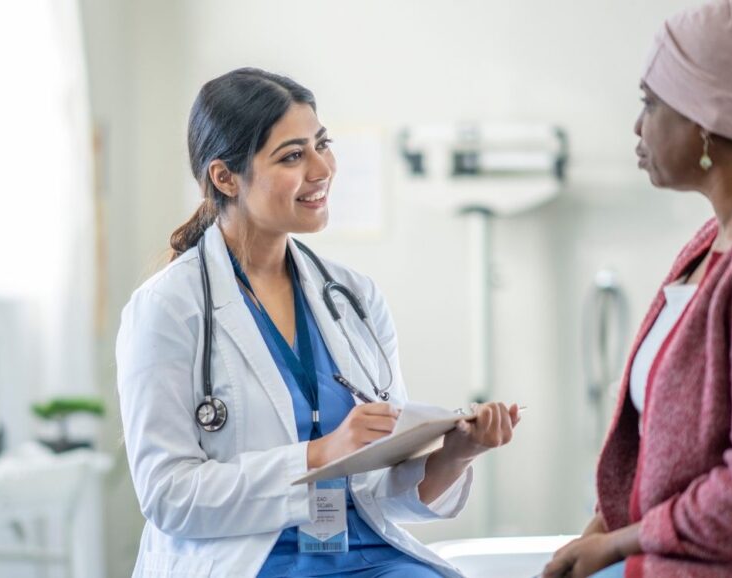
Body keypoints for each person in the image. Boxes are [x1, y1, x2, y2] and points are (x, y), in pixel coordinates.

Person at [116, 68, 521, 578]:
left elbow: (379, 491)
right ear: (225, 177)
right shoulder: (168, 308)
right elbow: (168, 496)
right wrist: (317, 455)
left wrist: (456, 454)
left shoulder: (354, 298)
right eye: (292, 156)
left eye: (321, 144)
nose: (322, 168)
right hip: (246, 562)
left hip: (368, 554)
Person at [543, 1, 732, 577]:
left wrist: (618, 544)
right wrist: (604, 525)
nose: (639, 126)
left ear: (706, 118)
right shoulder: (709, 243)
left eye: (651, 103)